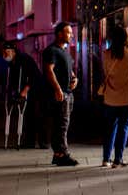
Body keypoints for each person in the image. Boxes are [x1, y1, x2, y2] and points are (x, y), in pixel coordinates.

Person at [101, 26, 128, 168]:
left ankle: (106, 159)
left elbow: (106, 72)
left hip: (111, 97)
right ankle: (118, 159)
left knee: (109, 127)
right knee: (123, 128)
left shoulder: (106, 54)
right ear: (127, 37)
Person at [43, 22, 79, 166]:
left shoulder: (65, 51)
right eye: (68, 32)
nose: (71, 35)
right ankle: (62, 154)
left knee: (62, 123)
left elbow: (69, 70)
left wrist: (74, 78)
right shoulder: (52, 50)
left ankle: (58, 154)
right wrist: (58, 89)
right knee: (61, 124)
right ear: (59, 34)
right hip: (60, 94)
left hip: (68, 92)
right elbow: (49, 70)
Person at [2, 41, 48, 148]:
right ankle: (29, 142)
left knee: (39, 115)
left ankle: (43, 142)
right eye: (3, 53)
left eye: (6, 52)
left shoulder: (24, 59)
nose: (4, 55)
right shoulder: (11, 63)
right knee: (28, 115)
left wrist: (23, 92)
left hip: (38, 89)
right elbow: (13, 79)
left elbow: (33, 76)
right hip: (27, 90)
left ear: (13, 52)